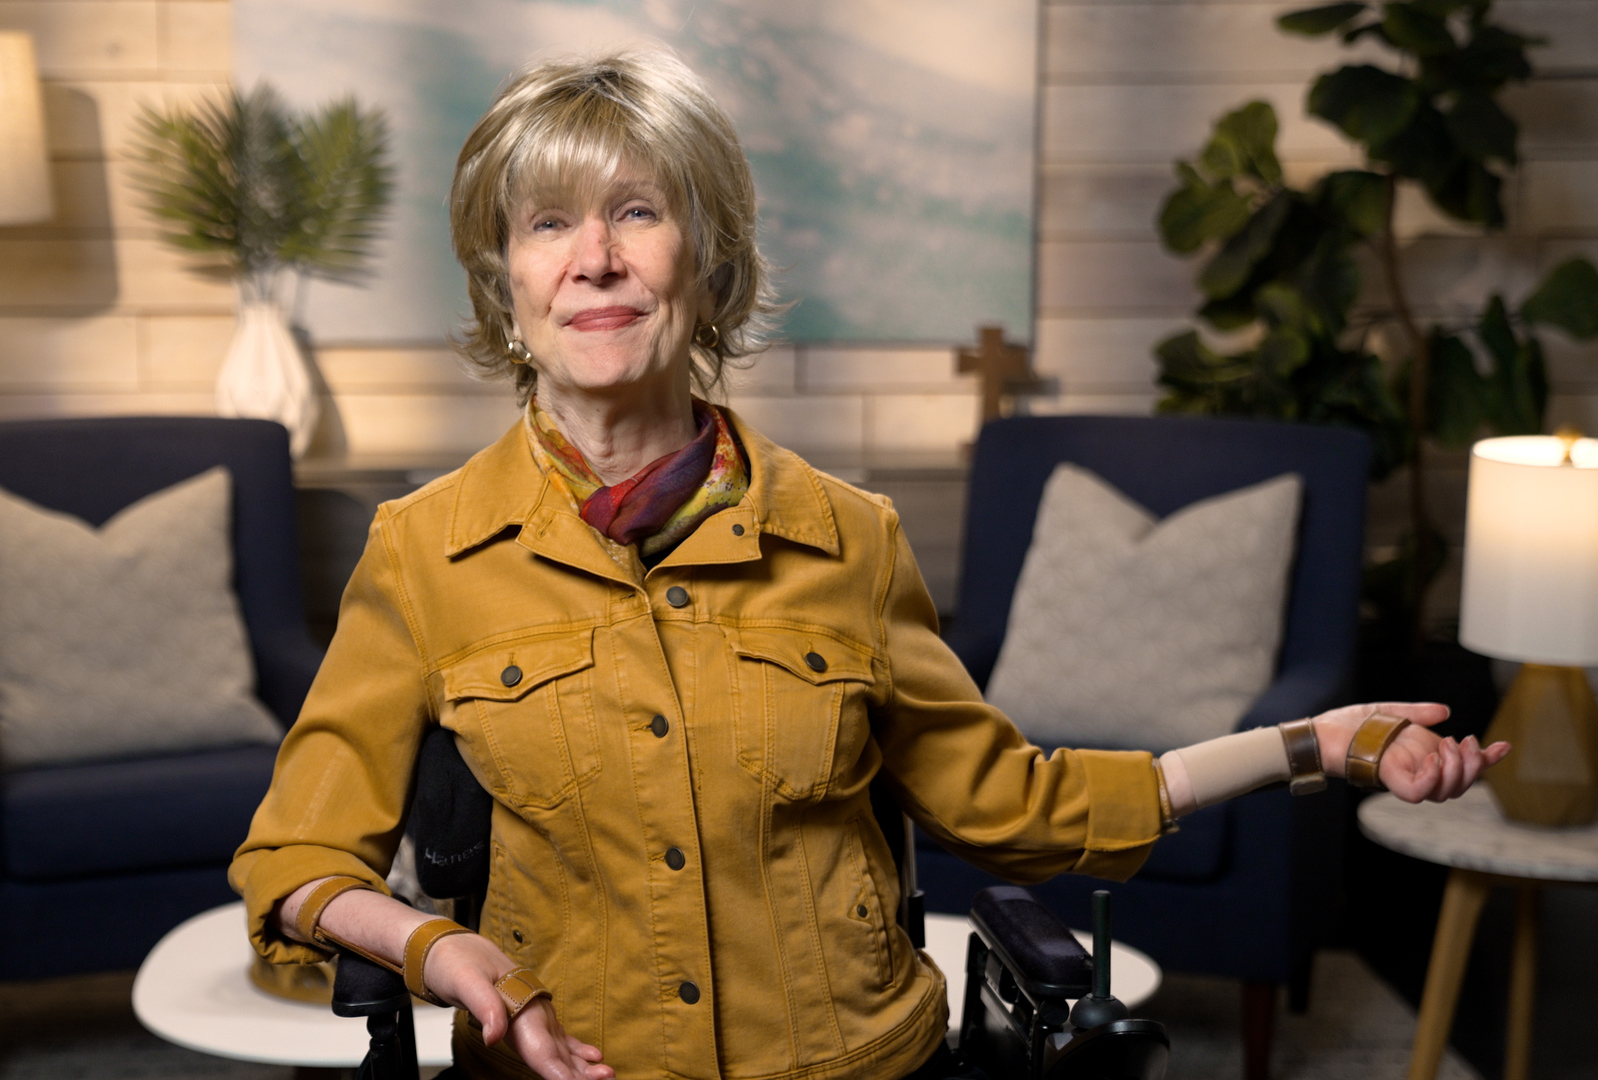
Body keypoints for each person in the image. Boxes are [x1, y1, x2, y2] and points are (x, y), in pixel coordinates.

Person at [231, 48, 1506, 1080]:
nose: (596, 258)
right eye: (547, 224)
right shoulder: (425, 551)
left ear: (708, 261)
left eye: (637, 211)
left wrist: (1318, 744)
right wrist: (444, 953)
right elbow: (295, 864)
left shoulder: (851, 536)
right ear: (506, 286)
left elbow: (1016, 804)